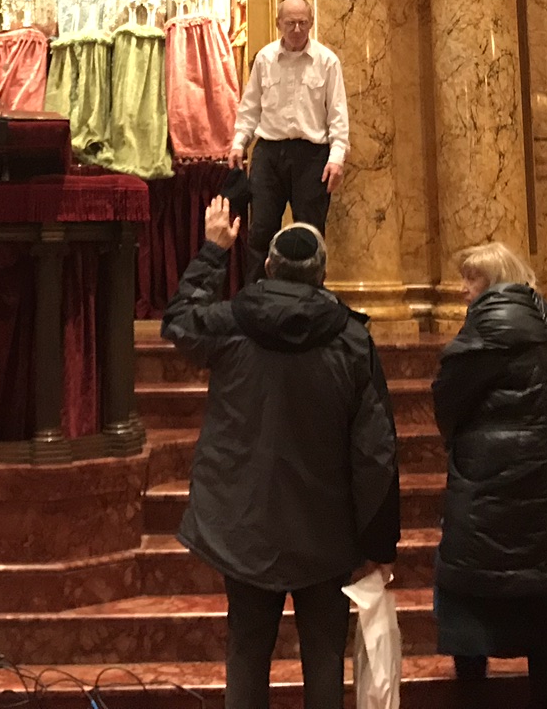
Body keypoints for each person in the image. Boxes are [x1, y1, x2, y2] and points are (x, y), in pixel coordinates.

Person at [162, 197, 399, 709]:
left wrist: (213, 250)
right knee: (325, 660)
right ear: (322, 274)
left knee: (247, 653)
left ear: (268, 266)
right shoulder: (352, 340)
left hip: (245, 524)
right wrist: (378, 541)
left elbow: (178, 320)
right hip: (325, 528)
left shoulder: (231, 323)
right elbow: (375, 452)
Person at [433, 241, 547, 709]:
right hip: (538, 491)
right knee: (538, 603)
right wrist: (543, 437)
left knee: (469, 598)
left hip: (480, 491)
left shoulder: (480, 334)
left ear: (494, 282)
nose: (463, 289)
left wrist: (471, 443)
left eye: (471, 279)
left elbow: (447, 404)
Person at [228, 0, 349, 278]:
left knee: (311, 232)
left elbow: (338, 114)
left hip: (312, 156)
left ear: (311, 23)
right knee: (261, 230)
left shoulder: (327, 61)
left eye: (303, 23)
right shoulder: (265, 58)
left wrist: (337, 158)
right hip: (269, 153)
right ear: (278, 23)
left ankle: (311, 297)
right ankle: (257, 295)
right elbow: (250, 107)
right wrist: (239, 143)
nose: (297, 29)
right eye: (290, 23)